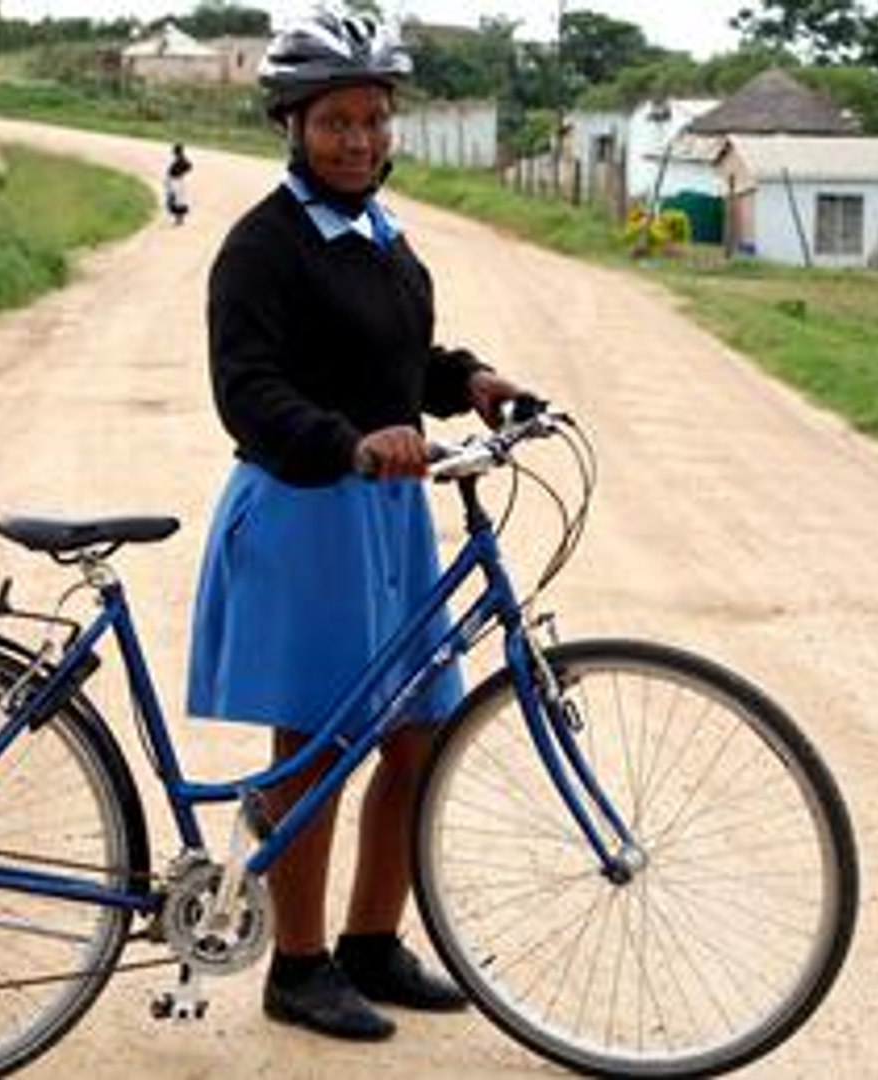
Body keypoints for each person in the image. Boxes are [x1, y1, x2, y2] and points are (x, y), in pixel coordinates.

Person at [185, 6, 528, 1044]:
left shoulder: (383, 237)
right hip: (304, 514)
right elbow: (248, 392)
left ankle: (373, 943)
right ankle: (297, 966)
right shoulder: (262, 247)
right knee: (314, 750)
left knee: (419, 736)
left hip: (385, 519)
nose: (359, 140)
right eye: (336, 120)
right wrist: (350, 443)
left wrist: (467, 380)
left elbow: (397, 362)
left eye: (374, 119)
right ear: (292, 124)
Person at [165, 142, 193, 225]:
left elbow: (189, 166)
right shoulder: (180, 159)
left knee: (176, 199)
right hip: (176, 180)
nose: (174, 153)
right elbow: (189, 167)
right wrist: (182, 173)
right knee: (178, 199)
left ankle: (179, 219)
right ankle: (179, 219)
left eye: (175, 151)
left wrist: (181, 173)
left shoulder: (181, 159)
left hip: (176, 181)